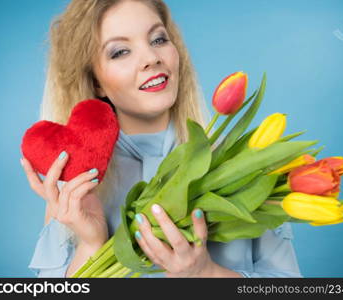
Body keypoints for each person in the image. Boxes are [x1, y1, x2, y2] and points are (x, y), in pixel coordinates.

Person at [21, 0, 302, 278]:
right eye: (120, 52)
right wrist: (92, 243)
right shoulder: (77, 187)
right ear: (96, 81)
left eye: (158, 39)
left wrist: (205, 274)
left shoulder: (242, 163)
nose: (151, 58)